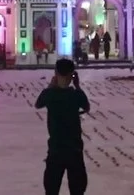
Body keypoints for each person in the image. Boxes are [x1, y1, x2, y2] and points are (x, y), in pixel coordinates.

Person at [35, 59, 90, 195]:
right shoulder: (75, 95)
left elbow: (38, 103)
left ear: (55, 73)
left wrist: (50, 86)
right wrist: (77, 86)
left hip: (55, 149)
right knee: (77, 189)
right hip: (74, 150)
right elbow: (86, 106)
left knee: (51, 189)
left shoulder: (50, 94)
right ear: (72, 75)